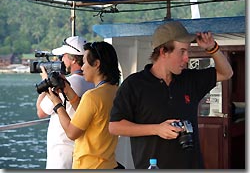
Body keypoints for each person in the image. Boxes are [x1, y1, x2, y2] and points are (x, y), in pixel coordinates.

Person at [109, 21, 233, 169]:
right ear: (163, 52)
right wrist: (156, 129)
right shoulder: (134, 84)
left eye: (187, 51)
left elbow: (226, 73)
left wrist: (213, 48)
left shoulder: (189, 79)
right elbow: (115, 127)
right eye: (182, 51)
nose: (187, 58)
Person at [44, 41, 121, 169]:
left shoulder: (92, 96)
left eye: (84, 62)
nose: (82, 67)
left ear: (96, 64)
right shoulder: (115, 91)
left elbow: (71, 133)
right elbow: (88, 112)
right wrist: (68, 90)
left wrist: (57, 105)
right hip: (108, 163)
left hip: (88, 165)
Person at [36, 36, 94, 169]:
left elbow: (41, 112)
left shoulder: (70, 83)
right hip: (80, 149)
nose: (61, 59)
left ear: (73, 59)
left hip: (62, 151)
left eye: (64, 56)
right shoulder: (92, 82)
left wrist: (46, 83)